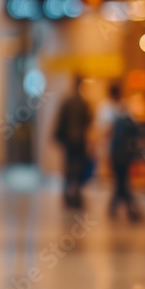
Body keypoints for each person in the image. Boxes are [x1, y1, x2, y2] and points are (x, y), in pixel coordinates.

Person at [54, 75, 93, 209]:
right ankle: (76, 193)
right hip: (79, 140)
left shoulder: (67, 101)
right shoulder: (83, 103)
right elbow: (88, 122)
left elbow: (61, 121)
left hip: (69, 140)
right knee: (78, 167)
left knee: (69, 166)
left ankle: (67, 193)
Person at [109, 87, 142, 221]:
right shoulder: (131, 123)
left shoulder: (117, 122)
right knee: (122, 182)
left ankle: (117, 207)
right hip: (125, 156)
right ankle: (128, 208)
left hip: (117, 156)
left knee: (121, 182)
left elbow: (113, 139)